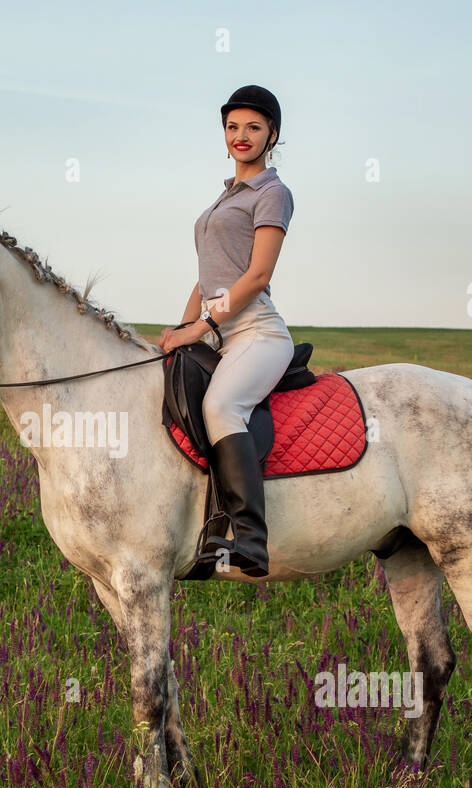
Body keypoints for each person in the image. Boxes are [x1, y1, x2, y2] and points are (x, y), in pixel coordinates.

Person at [161, 84, 295, 578]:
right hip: (218, 331)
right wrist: (182, 329)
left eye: (253, 127)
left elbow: (257, 275)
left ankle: (253, 542)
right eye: (233, 127)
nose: (242, 136)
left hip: (256, 332)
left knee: (221, 407)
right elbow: (207, 276)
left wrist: (202, 324)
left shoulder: (272, 193)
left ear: (272, 135)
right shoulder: (224, 197)